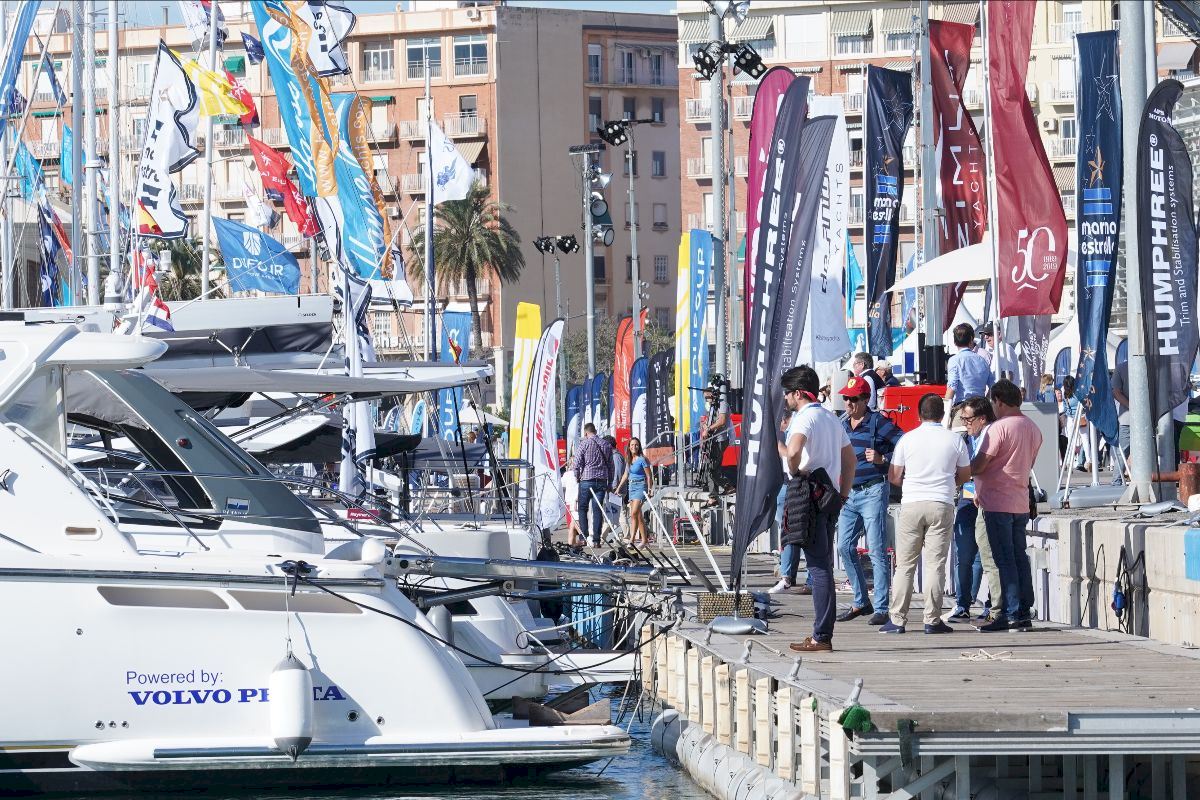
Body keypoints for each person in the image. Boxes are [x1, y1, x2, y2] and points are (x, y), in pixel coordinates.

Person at [880, 394, 971, 634]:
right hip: (941, 503)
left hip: (912, 503)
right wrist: (948, 483)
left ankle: (897, 620)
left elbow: (894, 476)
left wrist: (912, 483)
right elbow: (965, 474)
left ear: (919, 414)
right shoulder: (955, 440)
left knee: (905, 565)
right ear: (942, 415)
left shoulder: (907, 439)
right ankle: (932, 619)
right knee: (935, 565)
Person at [781, 365, 856, 653]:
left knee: (818, 567)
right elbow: (850, 460)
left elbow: (795, 451)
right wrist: (843, 494)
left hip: (808, 493)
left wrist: (793, 468)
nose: (786, 398)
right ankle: (822, 632)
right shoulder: (830, 417)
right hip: (829, 495)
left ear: (799, 393)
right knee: (822, 562)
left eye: (788, 393)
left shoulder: (805, 417)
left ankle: (821, 635)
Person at [972, 379, 1042, 631]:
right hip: (1019, 502)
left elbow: (980, 464)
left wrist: (962, 469)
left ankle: (1009, 613)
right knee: (1019, 557)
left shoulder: (998, 428)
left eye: (993, 402)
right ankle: (1023, 611)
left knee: (1004, 559)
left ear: (998, 401)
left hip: (996, 501)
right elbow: (1029, 464)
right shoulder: (1033, 428)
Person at [834, 376, 904, 626]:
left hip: (873, 489)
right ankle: (861, 601)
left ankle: (882, 607)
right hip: (849, 493)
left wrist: (883, 459)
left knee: (876, 550)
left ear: (865, 400)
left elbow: (904, 443)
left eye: (853, 399)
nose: (848, 403)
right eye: (846, 398)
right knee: (844, 547)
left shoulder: (878, 422)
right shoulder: (842, 424)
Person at [949, 397, 1001, 622]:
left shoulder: (993, 438)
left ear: (982, 419)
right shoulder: (962, 440)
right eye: (962, 419)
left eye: (968, 419)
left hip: (988, 500)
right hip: (967, 500)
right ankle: (962, 604)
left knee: (987, 556)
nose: (965, 424)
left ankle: (991, 604)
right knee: (964, 554)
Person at [573, 423, 612, 547]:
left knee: (582, 509)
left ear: (586, 433)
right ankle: (596, 541)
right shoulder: (606, 444)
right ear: (595, 431)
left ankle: (583, 538)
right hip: (601, 481)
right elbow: (611, 466)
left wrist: (577, 476)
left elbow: (576, 463)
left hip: (586, 480)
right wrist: (610, 482)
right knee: (597, 510)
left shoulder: (584, 444)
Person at [615, 438, 654, 546]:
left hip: (641, 486)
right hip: (631, 487)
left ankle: (631, 539)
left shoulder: (642, 459)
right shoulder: (629, 459)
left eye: (636, 445)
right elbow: (625, 475)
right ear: (629, 447)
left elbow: (649, 475)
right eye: (632, 445)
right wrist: (618, 488)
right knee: (638, 515)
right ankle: (644, 540)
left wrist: (650, 490)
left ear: (639, 446)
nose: (634, 447)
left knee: (633, 513)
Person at [945, 323, 993, 405]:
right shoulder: (982, 360)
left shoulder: (954, 360)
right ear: (971, 339)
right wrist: (986, 401)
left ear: (954, 342)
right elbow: (993, 386)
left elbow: (952, 388)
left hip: (962, 406)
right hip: (981, 406)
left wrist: (945, 409)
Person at [701, 381, 731, 507]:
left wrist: (709, 428)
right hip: (713, 440)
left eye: (707, 397)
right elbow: (710, 421)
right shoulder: (712, 407)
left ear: (712, 395)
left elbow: (722, 421)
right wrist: (705, 425)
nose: (706, 400)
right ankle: (713, 496)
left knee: (712, 468)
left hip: (720, 439)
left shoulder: (722, 404)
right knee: (713, 467)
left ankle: (727, 486)